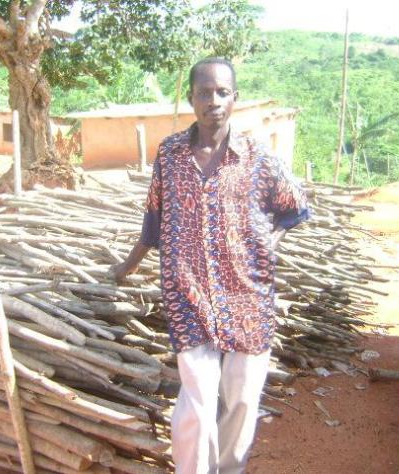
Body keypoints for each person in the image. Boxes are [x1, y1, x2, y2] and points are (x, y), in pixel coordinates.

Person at [112, 57, 310, 474]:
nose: (213, 101)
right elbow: (153, 220)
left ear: (235, 98)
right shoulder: (170, 155)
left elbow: (295, 206)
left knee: (241, 401)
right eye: (204, 92)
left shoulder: (258, 157)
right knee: (198, 404)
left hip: (247, 297)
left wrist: (270, 242)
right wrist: (125, 267)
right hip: (187, 292)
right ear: (191, 98)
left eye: (222, 92)